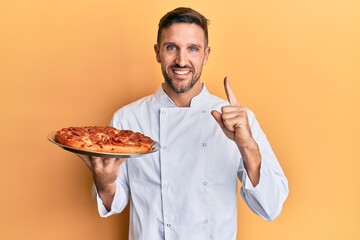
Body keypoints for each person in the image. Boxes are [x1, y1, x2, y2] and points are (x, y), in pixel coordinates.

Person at [79, 7, 288, 240]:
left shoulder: (238, 120)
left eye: (192, 49)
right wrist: (105, 183)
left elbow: (271, 206)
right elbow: (113, 205)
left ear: (206, 54)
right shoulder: (127, 120)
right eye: (171, 47)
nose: (181, 60)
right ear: (158, 52)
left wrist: (248, 147)